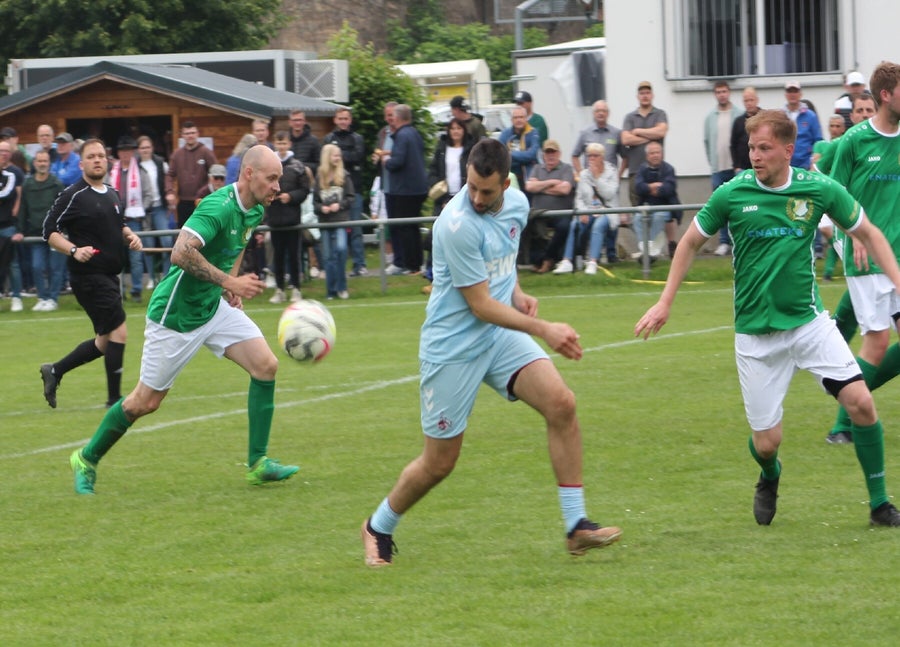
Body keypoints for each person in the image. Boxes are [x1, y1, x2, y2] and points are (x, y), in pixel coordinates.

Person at [361, 138, 622, 566]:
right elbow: (480, 305)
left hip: (498, 337)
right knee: (440, 462)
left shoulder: (517, 204)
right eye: (472, 188)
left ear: (506, 184)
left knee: (561, 404)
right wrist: (544, 328)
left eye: (487, 191)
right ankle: (378, 526)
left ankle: (577, 526)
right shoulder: (456, 224)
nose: (478, 198)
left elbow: (502, 255)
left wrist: (516, 291)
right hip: (454, 346)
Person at [634, 109, 900, 528]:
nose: (755, 155)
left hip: (809, 325)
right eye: (751, 147)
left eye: (764, 148)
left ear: (788, 150)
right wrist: (665, 302)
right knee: (767, 443)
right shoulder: (732, 193)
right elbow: (688, 243)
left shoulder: (817, 188)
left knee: (862, 404)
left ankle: (880, 505)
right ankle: (770, 473)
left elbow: (869, 232)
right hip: (756, 337)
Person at [66, 145, 298, 495]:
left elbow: (236, 247)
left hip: (212, 306)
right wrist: (230, 281)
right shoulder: (218, 207)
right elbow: (180, 252)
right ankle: (86, 458)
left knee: (266, 365)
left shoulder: (254, 209)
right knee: (145, 402)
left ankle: (258, 463)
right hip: (175, 314)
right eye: (272, 178)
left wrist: (228, 287)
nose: (277, 186)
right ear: (249, 174)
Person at [825, 62, 900, 447]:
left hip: (897, 257)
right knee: (877, 343)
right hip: (866, 258)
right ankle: (844, 423)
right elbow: (832, 195)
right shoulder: (854, 141)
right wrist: (852, 232)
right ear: (886, 95)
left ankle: (851, 405)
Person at [40, 138, 143, 409]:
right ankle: (114, 401)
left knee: (104, 342)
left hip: (110, 276)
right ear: (82, 163)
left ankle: (55, 370)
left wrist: (130, 235)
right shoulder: (73, 194)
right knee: (119, 332)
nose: (97, 160)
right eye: (91, 156)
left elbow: (119, 224)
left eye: (100, 156)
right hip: (88, 277)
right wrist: (73, 250)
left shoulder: (112, 193)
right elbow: (49, 231)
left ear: (107, 161)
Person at [552, 142, 620, 275]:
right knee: (575, 224)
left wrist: (597, 177)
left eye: (595, 155)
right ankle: (567, 261)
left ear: (602, 157)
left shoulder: (612, 172)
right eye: (589, 156)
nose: (592, 158)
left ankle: (592, 262)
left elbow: (609, 194)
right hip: (589, 210)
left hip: (607, 210)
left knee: (598, 226)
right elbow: (579, 198)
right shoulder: (584, 174)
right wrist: (582, 212)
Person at [424, 117, 475, 286]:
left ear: (464, 130)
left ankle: (465, 273)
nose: (455, 131)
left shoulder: (470, 149)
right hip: (443, 200)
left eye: (459, 128)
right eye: (452, 128)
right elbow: (432, 173)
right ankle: (432, 273)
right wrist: (443, 198)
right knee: (436, 235)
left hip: (465, 199)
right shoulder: (441, 148)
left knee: (465, 235)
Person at [381, 103, 427, 276]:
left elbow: (398, 161)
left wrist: (386, 161)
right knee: (413, 226)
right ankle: (417, 263)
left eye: (393, 115)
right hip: (418, 187)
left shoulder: (401, 135)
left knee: (405, 227)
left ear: (398, 118)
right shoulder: (414, 133)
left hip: (405, 189)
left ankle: (410, 264)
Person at [323, 107, 367, 277]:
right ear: (335, 120)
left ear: (350, 120)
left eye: (345, 118)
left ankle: (359, 265)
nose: (343, 121)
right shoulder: (328, 138)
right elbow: (325, 159)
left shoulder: (357, 138)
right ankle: (335, 266)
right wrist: (343, 155)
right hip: (333, 191)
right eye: (340, 118)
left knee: (355, 229)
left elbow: (358, 156)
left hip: (354, 189)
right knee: (334, 231)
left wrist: (338, 153)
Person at [108, 135, 153, 303]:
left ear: (133, 152)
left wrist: (140, 209)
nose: (125, 154)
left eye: (128, 150)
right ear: (119, 153)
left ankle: (136, 290)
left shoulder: (141, 172)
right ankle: (118, 290)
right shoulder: (111, 172)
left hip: (134, 220)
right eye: (123, 151)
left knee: (135, 258)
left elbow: (149, 195)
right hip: (115, 221)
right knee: (116, 257)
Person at [19, 149, 65, 311]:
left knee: (55, 268)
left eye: (45, 161)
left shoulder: (56, 183)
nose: (42, 164)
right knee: (36, 267)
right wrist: (20, 229)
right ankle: (42, 297)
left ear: (49, 163)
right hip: (35, 233)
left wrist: (62, 229)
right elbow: (23, 209)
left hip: (55, 234)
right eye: (39, 161)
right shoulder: (27, 185)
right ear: (34, 163)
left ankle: (53, 299)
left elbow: (63, 208)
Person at [267, 130, 309, 304]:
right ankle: (279, 290)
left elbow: (305, 190)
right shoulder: (269, 165)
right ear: (274, 144)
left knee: (293, 255)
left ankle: (296, 289)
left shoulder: (297, 166)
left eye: (284, 143)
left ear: (289, 144)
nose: (282, 146)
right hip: (275, 219)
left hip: (292, 219)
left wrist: (290, 197)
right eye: (279, 143)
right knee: (277, 256)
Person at [525, 139, 575, 274]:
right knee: (530, 224)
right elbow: (529, 187)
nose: (550, 156)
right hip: (539, 212)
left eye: (553, 152)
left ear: (559, 154)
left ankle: (547, 259)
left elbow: (565, 189)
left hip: (561, 213)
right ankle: (537, 260)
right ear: (543, 155)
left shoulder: (566, 168)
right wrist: (552, 182)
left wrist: (540, 187)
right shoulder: (537, 168)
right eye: (547, 153)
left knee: (564, 227)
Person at [704, 81, 742, 257]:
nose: (722, 94)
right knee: (720, 206)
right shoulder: (710, 117)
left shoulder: (739, 114)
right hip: (718, 169)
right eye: (718, 92)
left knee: (738, 206)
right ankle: (724, 241)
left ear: (729, 92)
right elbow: (706, 142)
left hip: (736, 168)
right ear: (715, 94)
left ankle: (738, 241)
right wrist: (712, 163)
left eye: (724, 91)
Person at [314, 143, 355, 300]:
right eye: (335, 155)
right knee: (327, 257)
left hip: (341, 221)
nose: (338, 158)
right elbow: (315, 202)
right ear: (327, 157)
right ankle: (331, 291)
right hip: (325, 222)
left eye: (339, 155)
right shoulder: (319, 177)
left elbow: (351, 197)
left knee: (341, 249)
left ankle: (342, 287)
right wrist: (322, 208)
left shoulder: (344, 176)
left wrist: (340, 205)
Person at [622, 81, 669, 207]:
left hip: (657, 170)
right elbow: (625, 139)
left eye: (647, 93)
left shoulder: (660, 114)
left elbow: (661, 131)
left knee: (658, 209)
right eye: (642, 93)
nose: (645, 96)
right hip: (635, 171)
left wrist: (638, 131)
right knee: (637, 210)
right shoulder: (630, 117)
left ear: (652, 95)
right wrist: (651, 137)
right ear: (637, 96)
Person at [631, 141, 680, 260]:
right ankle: (646, 248)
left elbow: (669, 189)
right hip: (646, 206)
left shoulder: (668, 169)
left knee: (659, 216)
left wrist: (648, 189)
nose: (655, 155)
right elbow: (638, 188)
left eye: (657, 152)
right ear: (647, 156)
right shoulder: (642, 169)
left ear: (662, 154)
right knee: (637, 218)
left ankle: (651, 251)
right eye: (652, 153)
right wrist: (653, 186)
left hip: (666, 206)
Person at [165, 121, 217, 228]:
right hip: (183, 202)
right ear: (182, 135)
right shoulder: (177, 154)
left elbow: (216, 172)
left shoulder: (206, 152)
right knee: (184, 232)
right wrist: (170, 192)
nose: (190, 136)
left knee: (203, 231)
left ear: (197, 134)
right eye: (187, 133)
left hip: (203, 201)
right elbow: (169, 175)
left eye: (193, 133)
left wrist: (210, 190)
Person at [136, 135, 173, 280]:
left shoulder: (160, 162)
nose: (145, 150)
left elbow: (169, 181)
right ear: (138, 150)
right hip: (143, 210)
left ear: (152, 148)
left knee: (167, 242)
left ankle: (166, 275)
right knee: (147, 244)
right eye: (142, 148)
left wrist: (170, 196)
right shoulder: (135, 165)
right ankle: (151, 278)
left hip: (160, 207)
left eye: (148, 147)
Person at [0, 139, 25, 313]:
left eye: (6, 151)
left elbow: (17, 199)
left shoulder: (14, 173)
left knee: (13, 263)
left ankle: (16, 297)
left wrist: (18, 225)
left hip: (8, 225)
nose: (3, 154)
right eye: (0, 151)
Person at [570, 100, 624, 175]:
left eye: (603, 111)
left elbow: (625, 157)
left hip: (610, 178)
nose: (601, 113)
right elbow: (574, 156)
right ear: (593, 113)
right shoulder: (585, 133)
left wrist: (619, 175)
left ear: (608, 113)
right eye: (598, 111)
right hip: (590, 178)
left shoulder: (616, 133)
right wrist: (581, 174)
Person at [498, 105, 540, 198]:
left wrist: (510, 154)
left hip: (529, 175)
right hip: (511, 174)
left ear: (526, 118)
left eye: (521, 117)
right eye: (516, 117)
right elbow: (500, 154)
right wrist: (523, 155)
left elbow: (532, 155)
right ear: (511, 120)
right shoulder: (505, 134)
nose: (518, 120)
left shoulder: (533, 132)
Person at [782, 80, 822, 170]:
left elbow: (818, 140)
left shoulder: (810, 116)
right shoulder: (780, 115)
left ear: (800, 94)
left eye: (795, 91)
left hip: (806, 165)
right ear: (786, 95)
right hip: (785, 165)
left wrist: (813, 162)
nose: (792, 94)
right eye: (790, 91)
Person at [289, 110, 322, 176]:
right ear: (290, 122)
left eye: (300, 120)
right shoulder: (286, 140)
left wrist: (301, 166)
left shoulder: (313, 141)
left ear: (304, 121)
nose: (298, 123)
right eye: (295, 120)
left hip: (307, 178)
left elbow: (319, 164)